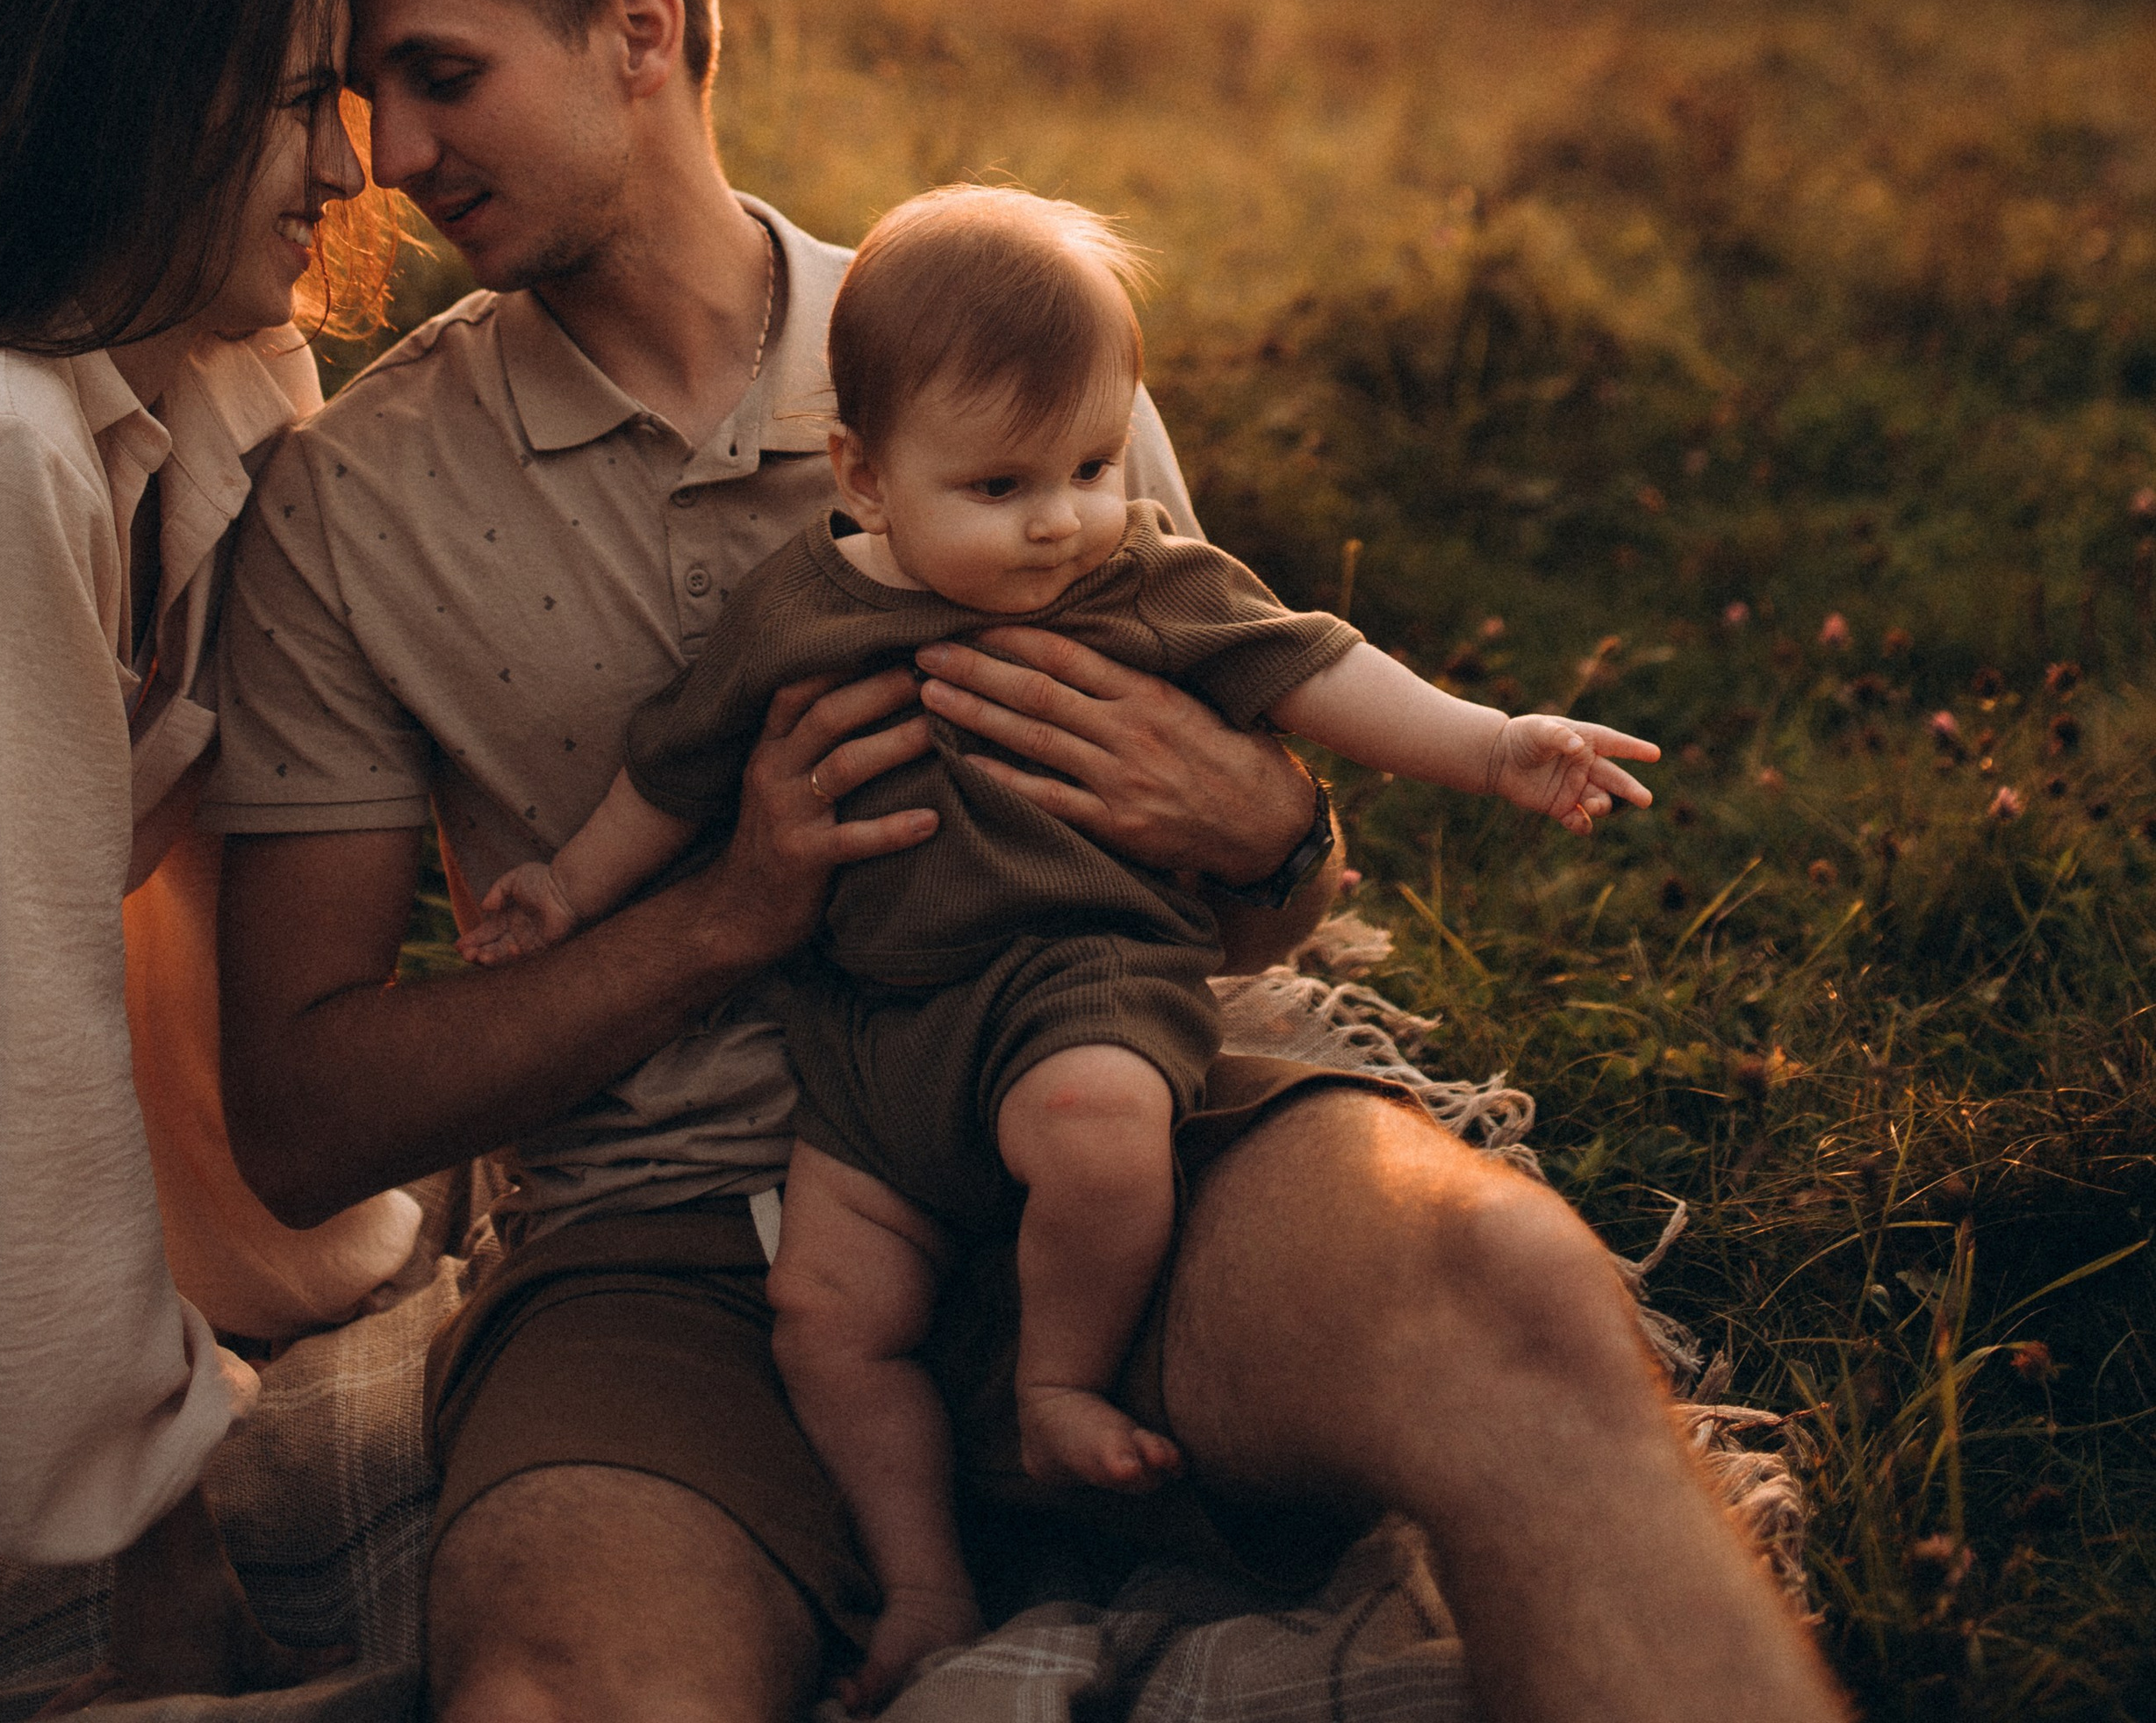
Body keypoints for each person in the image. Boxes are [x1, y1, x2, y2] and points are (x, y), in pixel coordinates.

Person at [212, 0, 1845, 1723]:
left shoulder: (1010, 338)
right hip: (669, 1254)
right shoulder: (348, 503)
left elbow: (1261, 831)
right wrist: (722, 915)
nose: (390, 158)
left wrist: (1261, 817)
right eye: (371, 97)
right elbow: (303, 1118)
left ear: (638, 32)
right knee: (560, 1689)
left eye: (440, 77)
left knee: (1518, 1304)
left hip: (1118, 1116)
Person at [463, 181, 1662, 1706]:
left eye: (1094, 464)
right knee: (828, 1321)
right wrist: (568, 888)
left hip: (1080, 983)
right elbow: (672, 773)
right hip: (870, 1045)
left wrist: (1493, 747)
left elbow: (1317, 670)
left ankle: (1055, 1380)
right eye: (1003, 484)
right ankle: (922, 1579)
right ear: (864, 476)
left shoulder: (1142, 580)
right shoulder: (799, 613)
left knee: (1097, 1128)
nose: (1064, 518)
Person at [0, 0, 423, 1705]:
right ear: (142, 103)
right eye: (303, 105)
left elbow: (190, 879)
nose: (352, 170)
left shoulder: (219, 384)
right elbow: (6, 1018)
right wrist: (152, 1505)